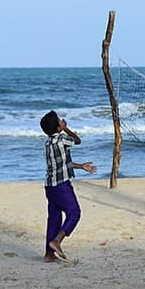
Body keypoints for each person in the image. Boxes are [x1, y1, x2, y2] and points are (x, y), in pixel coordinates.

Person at [40, 110, 97, 262]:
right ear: (58, 127)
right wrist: (65, 128)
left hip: (50, 186)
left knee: (54, 218)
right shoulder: (61, 139)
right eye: (59, 121)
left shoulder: (48, 143)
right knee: (74, 213)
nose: (61, 122)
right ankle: (57, 241)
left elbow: (63, 164)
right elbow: (77, 140)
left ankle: (49, 254)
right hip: (61, 186)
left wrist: (81, 166)